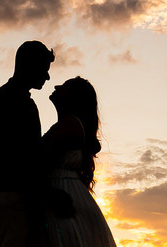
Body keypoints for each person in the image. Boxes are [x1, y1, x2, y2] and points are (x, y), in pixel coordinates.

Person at [0, 40, 56, 247]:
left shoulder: (10, 97)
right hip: (6, 198)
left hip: (5, 198)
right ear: (30, 66)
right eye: (44, 70)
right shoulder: (15, 102)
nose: (48, 77)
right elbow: (27, 156)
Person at [41, 77, 116, 247]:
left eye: (65, 86)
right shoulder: (69, 125)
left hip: (62, 201)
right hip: (69, 198)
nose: (56, 85)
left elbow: (37, 159)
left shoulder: (70, 125)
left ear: (73, 97)